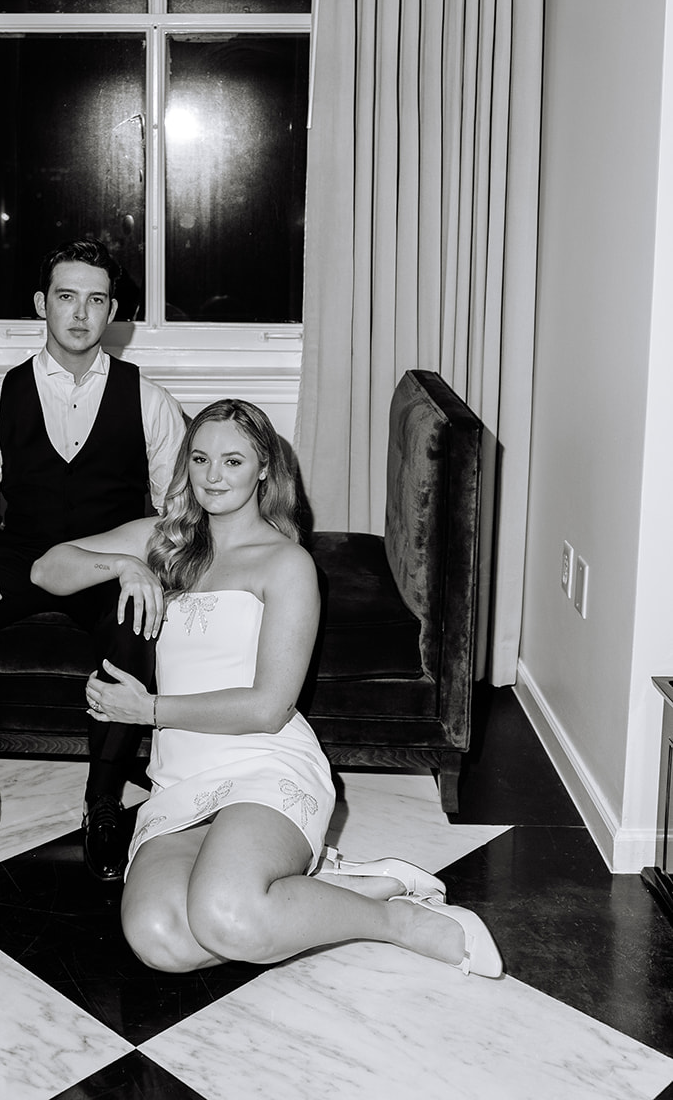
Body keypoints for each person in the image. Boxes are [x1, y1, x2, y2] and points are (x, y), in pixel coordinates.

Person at [30, 399, 504, 979]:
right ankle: (314, 886)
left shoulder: (287, 564)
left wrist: (148, 709)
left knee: (226, 917)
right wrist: (126, 567)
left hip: (264, 763)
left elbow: (268, 706)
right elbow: (47, 567)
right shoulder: (164, 541)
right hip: (181, 779)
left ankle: (396, 920)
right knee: (161, 940)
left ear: (263, 470)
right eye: (200, 458)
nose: (212, 476)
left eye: (233, 461)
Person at [0, 239, 186, 881]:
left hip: (110, 556)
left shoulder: (148, 400)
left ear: (113, 311)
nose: (81, 314)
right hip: (23, 552)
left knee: (136, 620)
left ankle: (104, 801)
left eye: (96, 300)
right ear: (42, 305)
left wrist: (142, 561)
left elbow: (179, 512)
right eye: (67, 297)